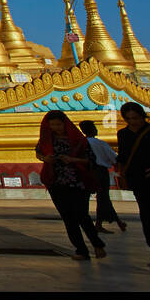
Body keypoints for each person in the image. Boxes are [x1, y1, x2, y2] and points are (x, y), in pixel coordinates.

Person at [35, 111, 105, 260]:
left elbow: (91, 160)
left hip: (77, 182)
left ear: (65, 123)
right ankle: (81, 250)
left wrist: (72, 160)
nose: (56, 127)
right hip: (56, 182)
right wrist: (46, 158)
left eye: (58, 124)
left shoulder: (78, 140)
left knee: (82, 215)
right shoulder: (47, 140)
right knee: (68, 217)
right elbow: (39, 153)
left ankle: (97, 244)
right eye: (52, 125)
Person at [116, 102, 150, 267]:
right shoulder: (123, 134)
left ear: (143, 116)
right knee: (149, 217)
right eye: (128, 119)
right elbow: (123, 156)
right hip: (140, 180)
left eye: (135, 118)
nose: (132, 122)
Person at [78, 119, 123, 233]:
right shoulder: (100, 143)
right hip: (100, 172)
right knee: (103, 197)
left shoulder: (81, 143)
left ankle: (117, 221)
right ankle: (99, 223)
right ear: (92, 130)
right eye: (95, 128)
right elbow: (114, 158)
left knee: (99, 198)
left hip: (86, 171)